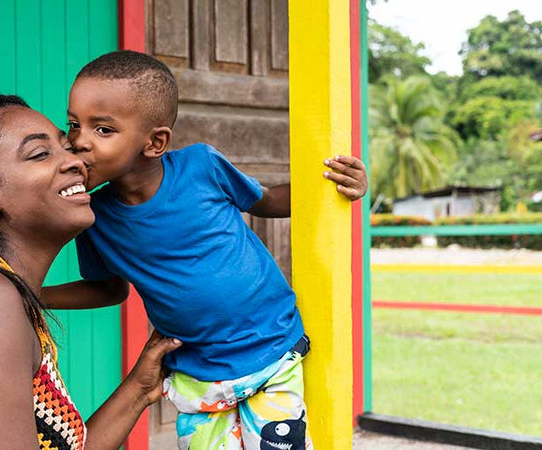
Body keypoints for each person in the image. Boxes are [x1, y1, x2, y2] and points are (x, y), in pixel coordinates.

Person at [42, 51, 368, 450]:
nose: (79, 142)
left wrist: (334, 189)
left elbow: (267, 201)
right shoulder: (94, 218)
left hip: (269, 347)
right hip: (197, 374)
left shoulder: (201, 167)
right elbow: (110, 289)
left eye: (103, 130)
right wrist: (34, 295)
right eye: (74, 125)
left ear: (155, 142)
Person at [0, 93, 182, 450]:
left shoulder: (2, 296)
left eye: (66, 146)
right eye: (40, 154)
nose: (75, 162)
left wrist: (139, 387)